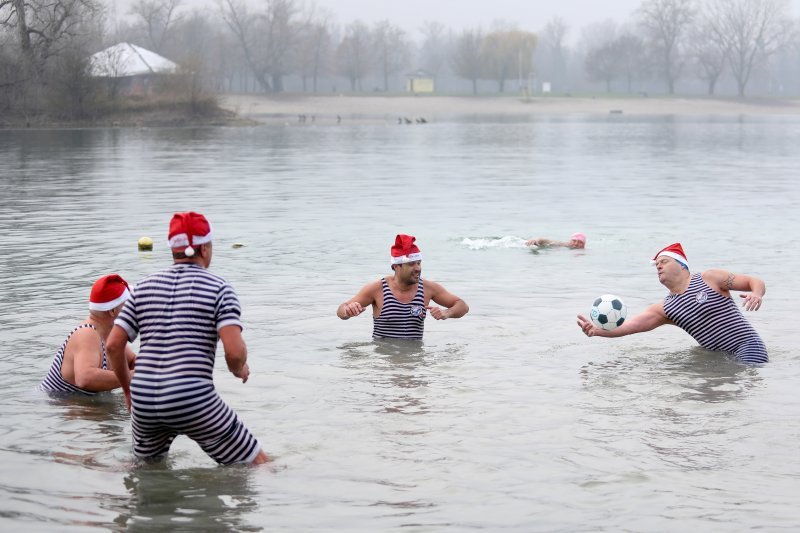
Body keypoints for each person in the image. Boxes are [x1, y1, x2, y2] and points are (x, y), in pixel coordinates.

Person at [106, 211, 269, 465]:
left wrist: (128, 391)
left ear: (173, 250)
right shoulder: (219, 288)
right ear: (205, 248)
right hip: (191, 396)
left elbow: (114, 345)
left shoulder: (143, 287)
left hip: (144, 398)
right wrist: (239, 369)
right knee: (256, 465)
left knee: (147, 474)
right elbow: (234, 353)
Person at [577, 243, 768, 364]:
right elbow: (629, 327)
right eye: (657, 264)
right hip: (717, 358)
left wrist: (757, 294)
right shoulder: (664, 308)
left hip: (748, 347)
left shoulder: (709, 278)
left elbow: (754, 281)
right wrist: (596, 331)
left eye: (664, 261)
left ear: (682, 265)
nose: (659, 266)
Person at [337, 234, 469, 340]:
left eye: (419, 263)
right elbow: (341, 311)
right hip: (383, 362)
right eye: (411, 264)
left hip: (414, 362)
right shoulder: (377, 289)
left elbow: (462, 305)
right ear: (396, 266)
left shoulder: (428, 288)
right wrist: (348, 310)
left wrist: (447, 313)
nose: (418, 268)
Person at [40, 274, 136, 395]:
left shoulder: (109, 332)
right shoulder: (86, 333)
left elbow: (132, 361)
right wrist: (130, 376)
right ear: (112, 311)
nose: (132, 309)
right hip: (58, 402)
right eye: (128, 305)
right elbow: (85, 378)